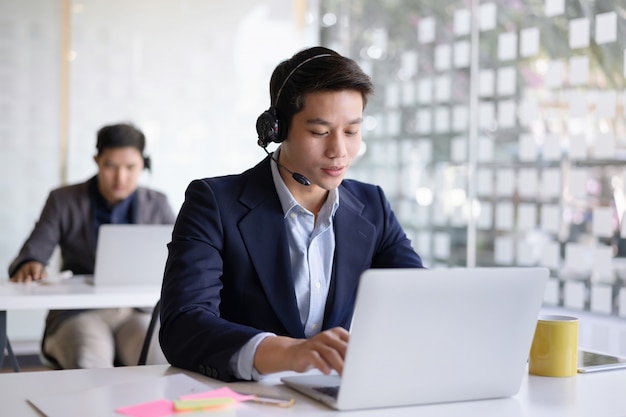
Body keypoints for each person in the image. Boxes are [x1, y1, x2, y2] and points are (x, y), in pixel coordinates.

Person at [159, 46, 424, 382]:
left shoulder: (372, 206)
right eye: (320, 132)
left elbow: (418, 299)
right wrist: (287, 353)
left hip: (331, 398)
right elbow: (183, 325)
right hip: (246, 400)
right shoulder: (213, 202)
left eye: (352, 131)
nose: (339, 151)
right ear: (276, 129)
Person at [8, 122, 176, 369]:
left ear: (143, 164)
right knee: (90, 361)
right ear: (96, 160)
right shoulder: (63, 200)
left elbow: (183, 258)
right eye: (111, 166)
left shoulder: (157, 203)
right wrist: (30, 263)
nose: (121, 177)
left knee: (157, 360)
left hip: (138, 311)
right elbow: (34, 251)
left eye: (131, 167)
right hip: (79, 311)